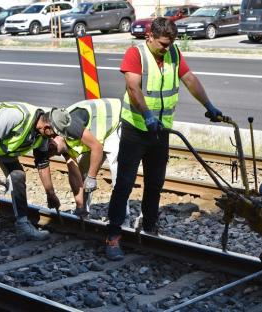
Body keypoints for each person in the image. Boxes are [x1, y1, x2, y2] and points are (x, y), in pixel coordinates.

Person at [105, 17, 224, 261]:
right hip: (136, 130)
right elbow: (133, 88)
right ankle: (113, 236)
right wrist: (147, 115)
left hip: (161, 132)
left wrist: (209, 105)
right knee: (125, 184)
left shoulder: (173, 53)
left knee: (155, 183)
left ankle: (149, 226)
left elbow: (189, 79)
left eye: (170, 44)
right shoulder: (135, 54)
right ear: (149, 36)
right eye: (162, 44)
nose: (166, 48)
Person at [0, 102, 61, 253]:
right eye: (54, 134)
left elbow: (42, 163)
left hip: (0, 144)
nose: (55, 138)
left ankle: (22, 225)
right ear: (45, 127)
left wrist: (51, 193)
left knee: (18, 176)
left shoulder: (42, 134)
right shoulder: (16, 116)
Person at [46, 99, 130, 218]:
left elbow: (97, 147)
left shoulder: (69, 126)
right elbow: (75, 173)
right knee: (83, 170)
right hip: (96, 134)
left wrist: (92, 177)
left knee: (116, 169)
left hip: (114, 120)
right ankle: (83, 210)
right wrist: (79, 205)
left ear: (55, 138)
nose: (56, 154)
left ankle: (123, 215)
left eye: (54, 151)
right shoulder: (61, 141)